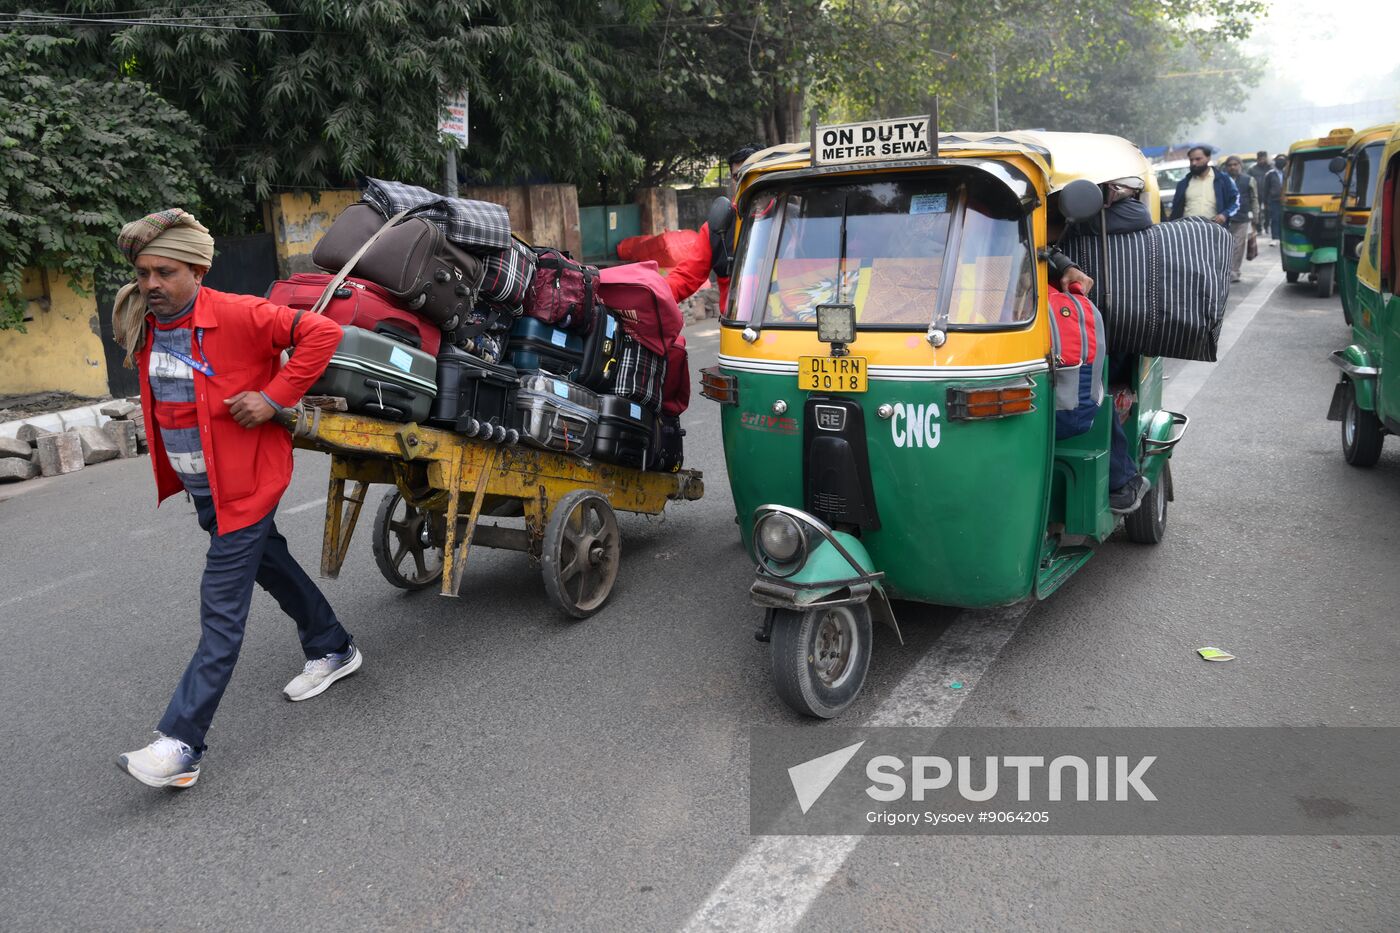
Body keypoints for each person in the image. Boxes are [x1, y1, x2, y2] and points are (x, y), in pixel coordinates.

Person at [111, 209, 359, 790]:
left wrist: (273, 397)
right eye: (143, 272)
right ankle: (333, 645)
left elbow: (321, 334)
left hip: (247, 484)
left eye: (164, 272)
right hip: (208, 488)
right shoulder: (145, 321)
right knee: (268, 562)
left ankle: (180, 744)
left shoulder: (240, 314)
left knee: (220, 612)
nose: (150, 285)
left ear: (197, 268)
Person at [1049, 176, 1153, 514]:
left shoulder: (1126, 212)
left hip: (1092, 319)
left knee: (1086, 385)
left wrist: (1064, 261)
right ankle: (1120, 479)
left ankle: (1119, 479)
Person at [666, 145, 764, 308]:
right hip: (735, 327)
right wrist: (651, 294)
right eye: (737, 177)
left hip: (786, 324)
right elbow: (687, 276)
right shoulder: (718, 225)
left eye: (750, 175)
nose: (742, 182)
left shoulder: (792, 219)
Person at [1170, 145, 1238, 224]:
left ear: (1208, 158)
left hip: (1214, 228)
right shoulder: (1183, 184)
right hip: (1188, 229)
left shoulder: (1223, 180)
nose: (1194, 163)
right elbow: (1175, 209)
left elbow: (1236, 201)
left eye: (1198, 159)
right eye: (1191, 160)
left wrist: (1224, 215)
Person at [1223, 156, 1258, 282]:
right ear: (1226, 167)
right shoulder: (1222, 180)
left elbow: (1254, 199)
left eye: (1235, 164)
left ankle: (1234, 271)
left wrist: (1255, 217)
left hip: (1242, 217)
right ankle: (1224, 271)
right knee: (1224, 246)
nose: (1233, 167)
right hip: (1224, 218)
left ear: (1240, 165)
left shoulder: (1249, 180)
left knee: (1238, 245)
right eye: (1230, 165)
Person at [1247, 151, 1272, 234]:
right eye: (1260, 159)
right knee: (1257, 211)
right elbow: (1248, 180)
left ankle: (1267, 225)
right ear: (1257, 159)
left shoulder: (1270, 168)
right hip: (1256, 193)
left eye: (1264, 158)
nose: (1262, 160)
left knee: (1268, 211)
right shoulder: (1252, 169)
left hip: (1268, 193)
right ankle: (1259, 228)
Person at [1266, 154, 1287, 245]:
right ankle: (1275, 237)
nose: (1280, 162)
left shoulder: (1288, 173)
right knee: (1275, 219)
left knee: (1284, 218)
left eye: (1282, 160)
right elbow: (1266, 189)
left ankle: (1284, 237)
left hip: (1286, 200)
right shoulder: (1270, 174)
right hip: (1274, 200)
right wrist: (1266, 202)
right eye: (1279, 160)